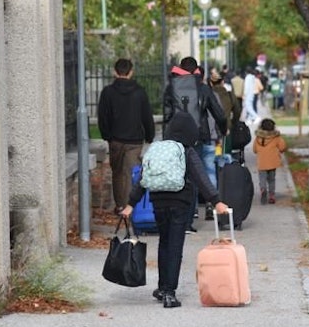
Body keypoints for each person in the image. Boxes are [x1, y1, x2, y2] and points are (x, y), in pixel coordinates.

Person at [121, 111, 229, 308]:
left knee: (164, 243)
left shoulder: (157, 150)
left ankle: (162, 287)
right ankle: (170, 292)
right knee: (175, 246)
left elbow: (142, 179)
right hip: (180, 203)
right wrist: (216, 201)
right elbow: (201, 178)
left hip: (158, 202)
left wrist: (131, 204)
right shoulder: (186, 151)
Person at [162, 56, 227, 227]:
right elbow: (219, 113)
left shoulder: (170, 88)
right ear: (196, 69)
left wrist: (165, 138)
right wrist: (224, 129)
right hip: (197, 137)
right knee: (194, 176)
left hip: (174, 140)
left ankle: (177, 219)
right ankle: (189, 220)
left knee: (177, 177)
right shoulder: (203, 88)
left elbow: (167, 116)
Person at [97, 58, 156, 214]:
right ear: (131, 72)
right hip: (135, 139)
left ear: (115, 72)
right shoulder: (140, 92)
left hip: (115, 139)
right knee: (132, 172)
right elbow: (146, 116)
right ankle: (131, 207)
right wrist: (150, 136)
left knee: (117, 173)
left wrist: (107, 135)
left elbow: (102, 116)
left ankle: (120, 205)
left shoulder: (107, 92)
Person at [209, 68, 240, 169]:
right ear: (222, 82)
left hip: (211, 130)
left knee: (211, 158)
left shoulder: (208, 95)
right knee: (226, 155)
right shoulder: (230, 95)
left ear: (210, 83)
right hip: (226, 128)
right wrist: (232, 123)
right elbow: (237, 111)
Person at [252, 117, 287, 205]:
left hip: (262, 163)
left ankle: (263, 189)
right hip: (273, 162)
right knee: (271, 179)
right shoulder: (276, 137)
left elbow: (255, 150)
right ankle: (271, 195)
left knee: (262, 179)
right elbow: (282, 147)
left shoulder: (258, 138)